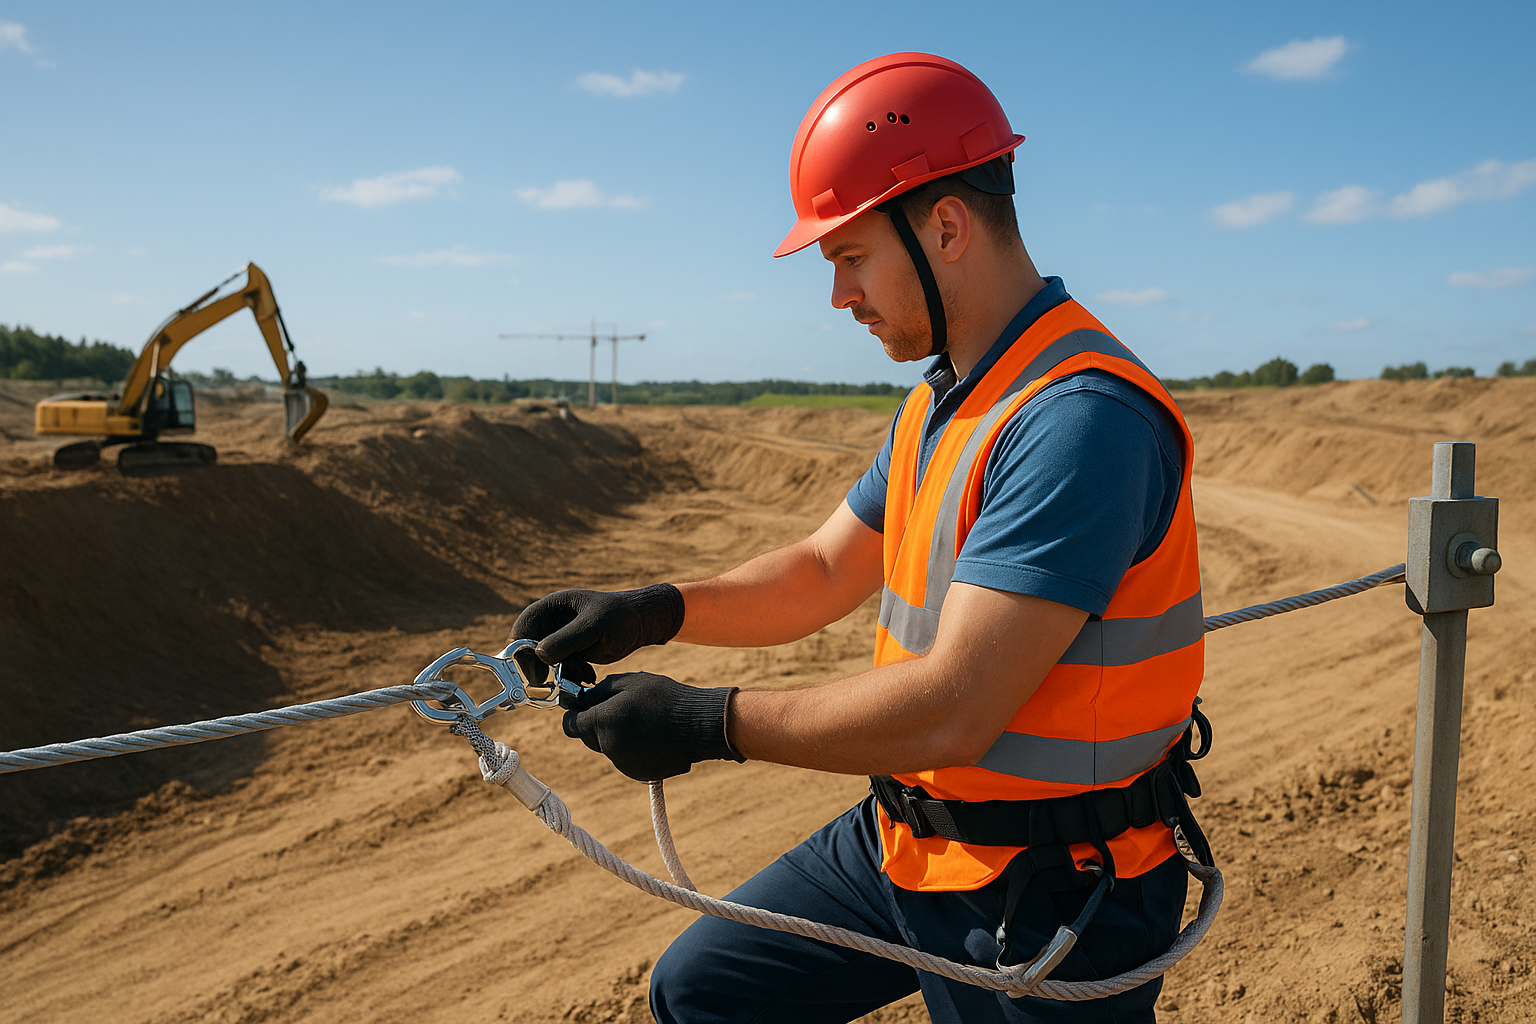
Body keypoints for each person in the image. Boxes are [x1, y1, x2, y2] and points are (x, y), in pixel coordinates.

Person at [511, 52, 1211, 1024]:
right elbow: (819, 569)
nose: (839, 294)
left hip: (1051, 886)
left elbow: (954, 708)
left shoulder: (1076, 420)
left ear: (947, 226)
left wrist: (706, 722)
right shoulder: (944, 400)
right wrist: (652, 610)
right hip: (912, 841)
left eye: (848, 256)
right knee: (704, 990)